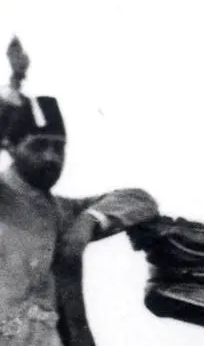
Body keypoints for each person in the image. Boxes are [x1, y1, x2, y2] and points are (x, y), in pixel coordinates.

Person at [0, 37, 160, 346]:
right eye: (39, 145)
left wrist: (87, 223)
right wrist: (15, 85)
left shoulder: (60, 213)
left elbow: (140, 199)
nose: (51, 157)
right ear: (11, 147)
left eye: (59, 147)